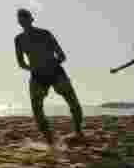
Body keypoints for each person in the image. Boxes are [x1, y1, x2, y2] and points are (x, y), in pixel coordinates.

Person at [14, 8, 84, 144]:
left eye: (25, 17)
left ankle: (78, 131)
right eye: (20, 18)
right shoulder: (19, 39)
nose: (23, 20)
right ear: (19, 22)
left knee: (73, 103)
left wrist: (51, 64)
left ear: (31, 19)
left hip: (56, 72)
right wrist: (32, 68)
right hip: (37, 76)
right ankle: (49, 139)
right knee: (36, 109)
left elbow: (62, 55)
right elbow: (21, 63)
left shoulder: (45, 33)